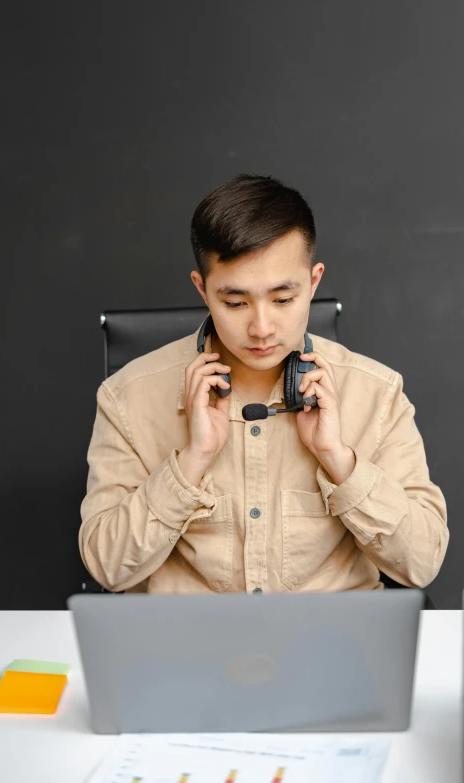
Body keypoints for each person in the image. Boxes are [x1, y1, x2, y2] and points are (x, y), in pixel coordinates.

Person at [79, 173, 448, 595]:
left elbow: (423, 564)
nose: (260, 328)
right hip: (187, 647)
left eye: (283, 299)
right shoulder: (127, 397)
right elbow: (107, 569)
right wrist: (192, 461)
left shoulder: (377, 394)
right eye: (234, 302)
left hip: (331, 647)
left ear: (313, 283)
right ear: (202, 290)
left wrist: (339, 460)